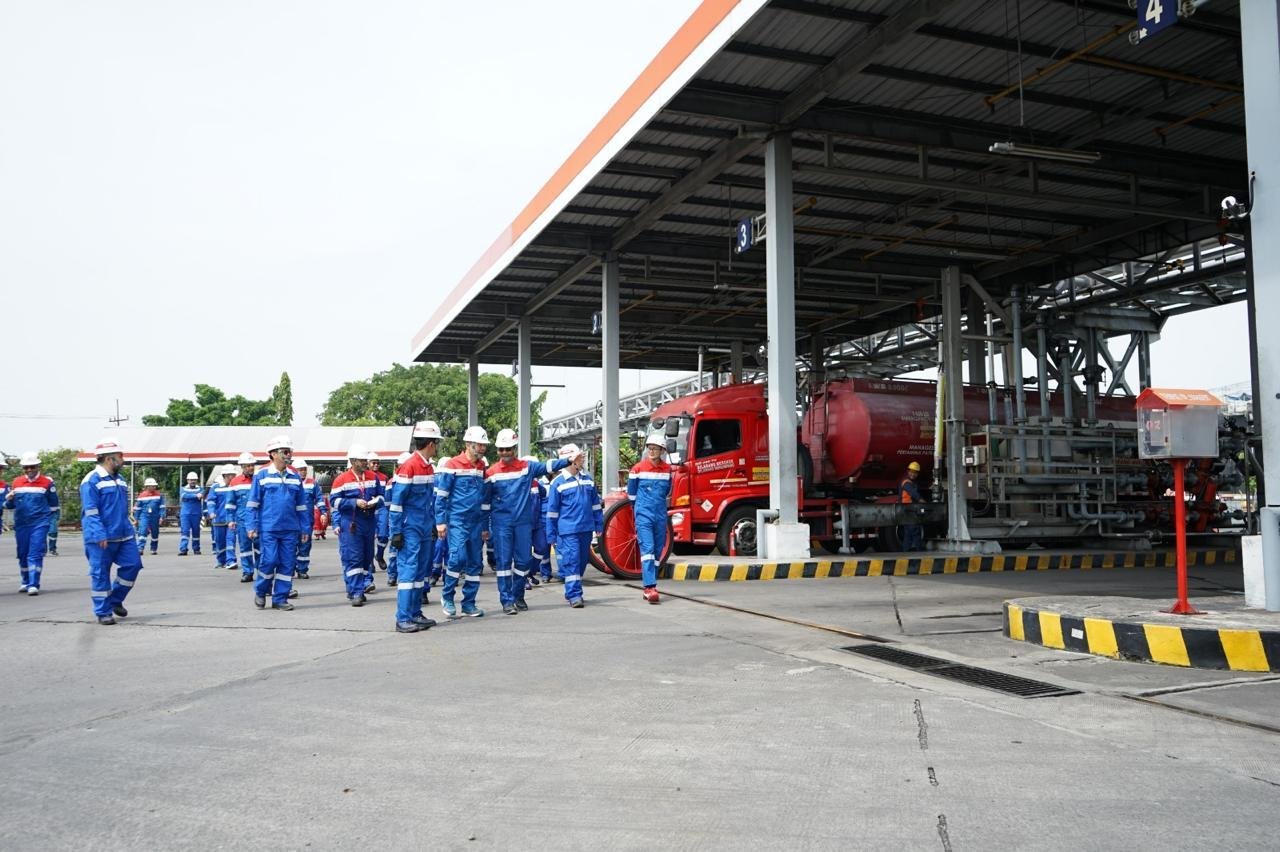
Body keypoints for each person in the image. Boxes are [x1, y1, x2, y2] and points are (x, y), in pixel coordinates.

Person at [483, 430, 570, 614]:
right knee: (503, 563)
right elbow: (485, 503)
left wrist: (568, 461)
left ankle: (518, 595)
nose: (504, 453)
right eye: (501, 449)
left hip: (523, 524)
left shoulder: (526, 467)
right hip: (502, 525)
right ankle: (506, 601)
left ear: (514, 449)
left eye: (508, 449)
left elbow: (547, 466)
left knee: (523, 561)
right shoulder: (491, 473)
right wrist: (484, 527)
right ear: (497, 450)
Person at [80, 438, 144, 625]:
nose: (123, 460)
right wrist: (99, 533)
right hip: (101, 536)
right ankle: (103, 612)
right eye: (120, 456)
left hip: (124, 534)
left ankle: (115, 600)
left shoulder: (120, 480)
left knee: (133, 565)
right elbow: (91, 511)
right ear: (109, 459)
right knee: (100, 574)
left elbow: (120, 507)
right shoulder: (91, 480)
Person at [388, 422, 443, 633]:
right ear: (431, 443)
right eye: (436, 443)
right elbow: (396, 503)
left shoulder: (428, 467)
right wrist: (396, 532)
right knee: (409, 571)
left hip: (424, 526)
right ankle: (403, 618)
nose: (437, 447)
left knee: (421, 571)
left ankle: (415, 613)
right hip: (410, 527)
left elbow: (429, 501)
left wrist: (432, 523)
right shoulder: (409, 466)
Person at [434, 425, 491, 619]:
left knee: (475, 563)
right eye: (479, 445)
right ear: (468, 444)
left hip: (476, 522)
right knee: (457, 558)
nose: (482, 448)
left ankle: (469, 604)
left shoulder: (481, 467)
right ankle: (447, 596)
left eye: (484, 445)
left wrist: (484, 526)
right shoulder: (452, 465)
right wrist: (440, 521)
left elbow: (484, 499)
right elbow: (441, 496)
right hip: (457, 520)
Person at [248, 435, 309, 611]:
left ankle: (280, 598)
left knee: (287, 564)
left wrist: (305, 528)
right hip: (269, 528)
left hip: (290, 528)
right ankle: (261, 591)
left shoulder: (295, 476)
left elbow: (301, 505)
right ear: (273, 454)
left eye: (290, 451)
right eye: (285, 451)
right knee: (269, 560)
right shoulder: (262, 475)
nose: (289, 455)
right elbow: (253, 503)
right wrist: (251, 525)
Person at [545, 444, 602, 609]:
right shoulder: (557, 483)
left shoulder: (588, 480)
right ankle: (575, 594)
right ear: (570, 460)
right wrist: (551, 534)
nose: (582, 459)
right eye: (579, 457)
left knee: (582, 562)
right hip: (568, 531)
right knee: (572, 561)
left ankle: (571, 589)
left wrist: (599, 524)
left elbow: (595, 505)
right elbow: (552, 512)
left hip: (586, 529)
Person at [330, 443, 384, 606]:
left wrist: (375, 502)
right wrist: (354, 502)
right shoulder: (341, 479)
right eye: (362, 460)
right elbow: (333, 501)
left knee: (367, 556)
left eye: (365, 460)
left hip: (369, 521)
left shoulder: (372, 477)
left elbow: (382, 496)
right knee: (354, 557)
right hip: (351, 523)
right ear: (353, 461)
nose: (365, 463)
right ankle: (356, 592)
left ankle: (359, 586)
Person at [627, 433, 672, 604]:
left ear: (662, 450)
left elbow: (667, 491)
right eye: (649, 448)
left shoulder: (667, 470)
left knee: (658, 550)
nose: (651, 451)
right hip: (644, 514)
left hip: (660, 515)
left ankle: (652, 583)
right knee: (648, 549)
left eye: (655, 448)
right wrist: (638, 511)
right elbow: (631, 494)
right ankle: (649, 587)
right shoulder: (637, 469)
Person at [6, 451, 59, 595]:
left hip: (39, 524)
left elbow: (54, 505)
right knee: (22, 553)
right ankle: (25, 581)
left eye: (32, 467)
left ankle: (34, 583)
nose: (29, 470)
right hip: (21, 524)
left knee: (35, 553)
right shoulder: (16, 482)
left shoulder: (47, 483)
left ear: (38, 466)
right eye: (26, 467)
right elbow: (10, 505)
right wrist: (9, 499)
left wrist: (46, 519)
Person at [226, 452, 259, 583]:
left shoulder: (259, 479)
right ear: (242, 467)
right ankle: (248, 572)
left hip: (258, 521)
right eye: (247, 466)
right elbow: (230, 503)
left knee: (260, 548)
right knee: (245, 548)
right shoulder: (235, 482)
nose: (250, 468)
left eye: (252, 465)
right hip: (242, 521)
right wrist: (230, 519)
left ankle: (262, 572)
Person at [385, 451, 411, 587]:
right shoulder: (392, 482)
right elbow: (388, 504)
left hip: (408, 519)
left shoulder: (409, 479)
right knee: (394, 547)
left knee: (406, 549)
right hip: (396, 519)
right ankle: (392, 575)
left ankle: (401, 575)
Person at [294, 457, 322, 580]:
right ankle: (289, 569)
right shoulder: (290, 482)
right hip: (291, 520)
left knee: (305, 545)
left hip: (307, 520)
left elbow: (319, 499)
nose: (303, 472)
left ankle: (302, 569)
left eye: (304, 469)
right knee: (290, 546)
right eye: (300, 469)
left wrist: (323, 512)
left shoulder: (312, 483)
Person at [206, 467, 235, 569]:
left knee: (230, 540)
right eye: (231, 475)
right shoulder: (216, 487)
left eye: (234, 475)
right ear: (225, 476)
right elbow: (210, 501)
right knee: (220, 541)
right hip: (218, 519)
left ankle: (231, 561)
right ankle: (221, 561)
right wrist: (211, 512)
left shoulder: (235, 486)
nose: (233, 477)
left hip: (231, 520)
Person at [368, 450, 390, 573]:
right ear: (368, 463)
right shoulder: (365, 476)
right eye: (373, 463)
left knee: (384, 535)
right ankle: (370, 562)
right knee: (369, 537)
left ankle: (379, 555)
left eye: (377, 463)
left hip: (382, 508)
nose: (376, 465)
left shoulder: (384, 477)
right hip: (369, 509)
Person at [132, 477, 166, 555]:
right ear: (147, 486)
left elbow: (162, 507)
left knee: (155, 533)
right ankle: (140, 548)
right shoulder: (141, 496)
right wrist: (136, 519)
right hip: (144, 516)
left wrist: (161, 517)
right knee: (142, 531)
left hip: (155, 517)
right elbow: (138, 508)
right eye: (152, 486)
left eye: (154, 486)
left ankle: (153, 549)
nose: (154, 487)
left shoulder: (159, 495)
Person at [899, 460, 924, 552]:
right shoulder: (906, 483)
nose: (913, 474)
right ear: (908, 471)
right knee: (915, 530)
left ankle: (906, 551)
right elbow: (913, 493)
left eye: (915, 473)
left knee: (908, 533)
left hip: (908, 509)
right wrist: (921, 500)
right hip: (908, 509)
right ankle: (919, 550)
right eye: (912, 472)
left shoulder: (912, 482)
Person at [178, 471, 204, 556]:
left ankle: (196, 549)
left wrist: (190, 496)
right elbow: (184, 496)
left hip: (196, 513)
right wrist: (195, 496)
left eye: (194, 480)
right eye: (191, 480)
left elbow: (201, 495)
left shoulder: (200, 489)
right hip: (185, 514)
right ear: (188, 480)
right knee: (185, 531)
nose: (193, 481)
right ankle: (183, 549)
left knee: (196, 532)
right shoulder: (183, 489)